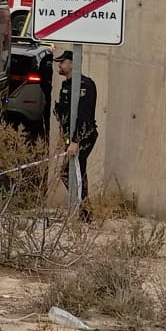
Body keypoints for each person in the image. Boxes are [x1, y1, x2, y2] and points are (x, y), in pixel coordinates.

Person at [52, 48, 98, 213]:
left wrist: (75, 141)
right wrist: (64, 139)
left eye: (62, 63)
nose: (59, 66)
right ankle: (82, 209)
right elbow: (65, 117)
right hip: (70, 138)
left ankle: (84, 212)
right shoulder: (67, 86)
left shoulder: (85, 86)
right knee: (71, 173)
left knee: (74, 172)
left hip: (84, 137)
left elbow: (84, 117)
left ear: (71, 65)